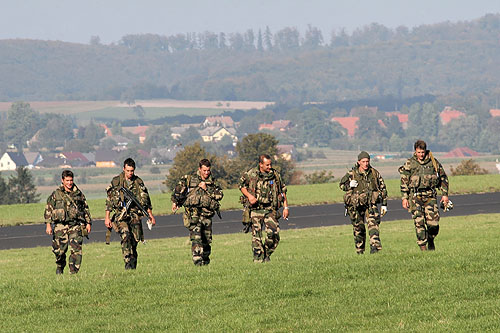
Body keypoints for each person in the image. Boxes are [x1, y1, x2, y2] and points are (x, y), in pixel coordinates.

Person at [105, 158, 156, 269]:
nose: (130, 173)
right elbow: (109, 200)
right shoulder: (116, 181)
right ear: (124, 169)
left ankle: (133, 265)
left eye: (132, 171)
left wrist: (150, 215)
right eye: (128, 171)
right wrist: (107, 217)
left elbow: (146, 200)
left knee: (134, 241)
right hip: (121, 215)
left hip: (135, 216)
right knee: (126, 236)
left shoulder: (138, 182)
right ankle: (127, 262)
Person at [171, 159, 223, 266]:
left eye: (208, 170)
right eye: (204, 170)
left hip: (207, 216)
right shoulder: (189, 179)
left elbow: (219, 195)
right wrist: (175, 202)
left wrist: (207, 189)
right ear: (199, 169)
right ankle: (198, 262)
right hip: (193, 215)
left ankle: (205, 262)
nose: (206, 173)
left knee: (206, 242)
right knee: (196, 239)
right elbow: (177, 191)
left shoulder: (213, 181)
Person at [399, 140, 449, 251]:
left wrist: (445, 195)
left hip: (430, 196)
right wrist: (404, 198)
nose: (421, 155)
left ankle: (431, 238)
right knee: (419, 222)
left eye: (422, 152)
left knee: (433, 224)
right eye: (418, 152)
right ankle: (423, 248)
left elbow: (443, 178)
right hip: (415, 197)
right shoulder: (409, 163)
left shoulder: (433, 162)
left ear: (425, 151)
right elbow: (404, 181)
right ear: (415, 151)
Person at [239, 154, 289, 263]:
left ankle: (266, 253)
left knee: (274, 234)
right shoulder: (251, 174)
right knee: (256, 237)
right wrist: (249, 196)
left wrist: (285, 207)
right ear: (260, 164)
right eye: (267, 165)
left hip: (270, 209)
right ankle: (258, 260)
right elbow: (241, 186)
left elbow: (282, 191)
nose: (269, 167)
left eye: (270, 164)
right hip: (256, 209)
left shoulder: (275, 175)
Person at [44, 170, 92, 274]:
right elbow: (48, 209)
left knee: (76, 249)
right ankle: (60, 266)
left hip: (75, 225)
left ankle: (73, 273)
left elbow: (85, 208)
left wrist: (88, 223)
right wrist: (48, 225)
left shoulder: (78, 194)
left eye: (71, 180)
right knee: (59, 251)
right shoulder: (56, 194)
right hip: (60, 226)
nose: (69, 183)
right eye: (67, 180)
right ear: (62, 180)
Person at [340, 151, 388, 254]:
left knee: (373, 227)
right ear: (358, 162)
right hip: (356, 206)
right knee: (359, 229)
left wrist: (384, 204)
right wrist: (349, 185)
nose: (366, 163)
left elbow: (383, 188)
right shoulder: (352, 174)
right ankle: (360, 251)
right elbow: (341, 185)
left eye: (367, 161)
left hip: (371, 205)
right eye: (363, 161)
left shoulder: (374, 173)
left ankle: (375, 249)